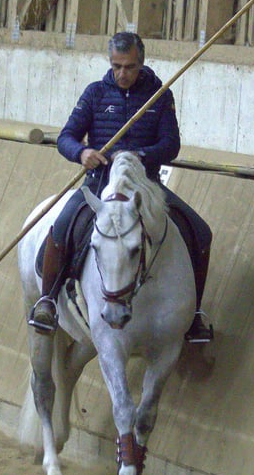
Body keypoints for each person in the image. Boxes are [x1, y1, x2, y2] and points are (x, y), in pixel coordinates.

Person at [28, 31, 214, 343]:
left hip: (146, 188)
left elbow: (171, 145)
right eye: (116, 66)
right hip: (100, 183)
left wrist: (140, 155)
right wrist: (82, 153)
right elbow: (66, 137)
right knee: (60, 229)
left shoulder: (159, 96)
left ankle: (193, 315)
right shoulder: (95, 94)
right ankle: (47, 301)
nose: (122, 74)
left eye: (128, 67)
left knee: (200, 231)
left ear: (141, 63)